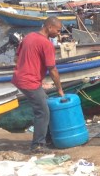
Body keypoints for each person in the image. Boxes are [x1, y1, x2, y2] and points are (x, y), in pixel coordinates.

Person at [12, 17, 65, 153]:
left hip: (21, 78)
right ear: (49, 27)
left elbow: (17, 58)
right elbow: (52, 70)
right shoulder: (46, 44)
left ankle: (47, 138)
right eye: (58, 30)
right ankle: (37, 145)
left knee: (45, 104)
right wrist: (59, 89)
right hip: (29, 82)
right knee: (42, 111)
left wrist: (35, 76)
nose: (59, 33)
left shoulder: (29, 37)